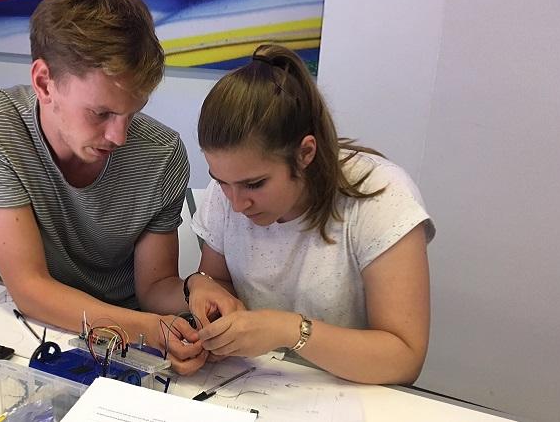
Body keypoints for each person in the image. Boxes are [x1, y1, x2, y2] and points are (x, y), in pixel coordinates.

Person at [0, 0, 206, 374]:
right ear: (44, 82)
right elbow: (30, 290)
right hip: (32, 327)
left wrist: (196, 291)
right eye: (101, 113)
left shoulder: (162, 153)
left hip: (124, 330)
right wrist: (154, 330)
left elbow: (155, 287)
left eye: (133, 112)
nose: (119, 136)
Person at [184, 44, 435, 384]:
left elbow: (404, 359)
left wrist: (289, 330)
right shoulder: (230, 188)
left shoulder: (381, 197)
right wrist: (201, 288)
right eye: (221, 182)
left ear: (305, 153)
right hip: (251, 384)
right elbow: (216, 280)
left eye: (255, 184)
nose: (236, 203)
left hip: (350, 393)